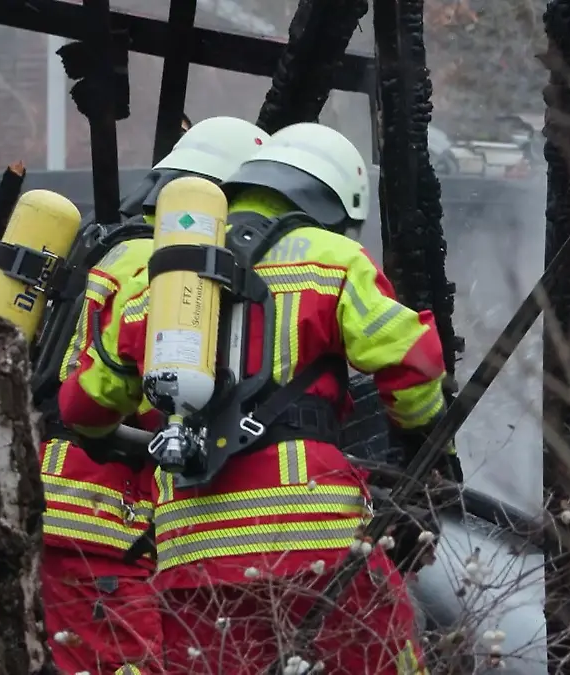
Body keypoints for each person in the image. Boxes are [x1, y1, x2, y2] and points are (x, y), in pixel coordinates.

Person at [58, 122, 459, 673]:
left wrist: (107, 437)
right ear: (337, 204)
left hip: (190, 550)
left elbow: (83, 405)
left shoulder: (166, 276)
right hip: (311, 528)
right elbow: (411, 357)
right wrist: (423, 432)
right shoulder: (331, 258)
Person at [39, 117, 272, 675]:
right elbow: (149, 389)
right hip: (110, 518)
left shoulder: (111, 248)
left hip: (60, 502)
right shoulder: (170, 271)